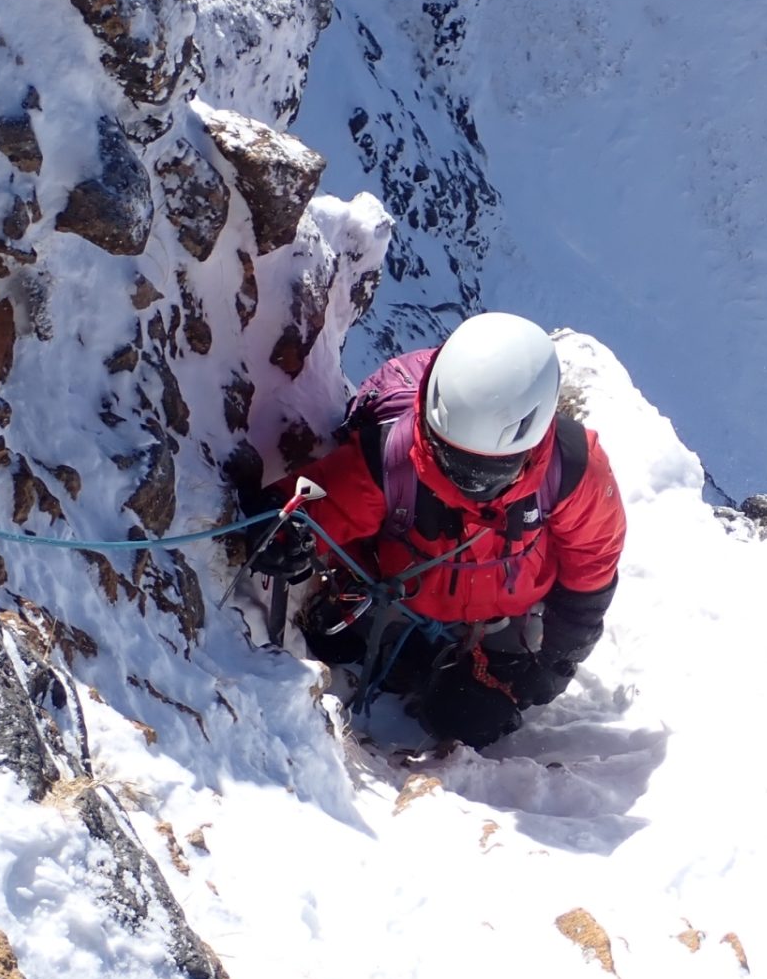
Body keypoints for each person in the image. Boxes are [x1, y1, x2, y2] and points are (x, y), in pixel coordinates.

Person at [246, 313, 626, 749]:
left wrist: (555, 663)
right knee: (333, 647)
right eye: (453, 458)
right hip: (404, 600)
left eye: (490, 469)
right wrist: (279, 534)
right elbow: (311, 508)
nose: (470, 483)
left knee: (469, 720)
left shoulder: (575, 470)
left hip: (495, 615)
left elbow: (590, 575)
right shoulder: (392, 457)